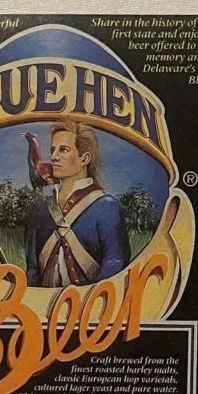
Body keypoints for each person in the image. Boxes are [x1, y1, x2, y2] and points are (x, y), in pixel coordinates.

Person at [24, 120, 131, 287]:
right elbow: (32, 269)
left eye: (63, 150)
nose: (53, 157)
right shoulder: (40, 210)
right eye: (53, 150)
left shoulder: (107, 207)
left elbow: (116, 263)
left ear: (84, 158)